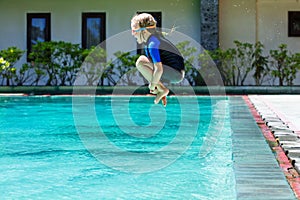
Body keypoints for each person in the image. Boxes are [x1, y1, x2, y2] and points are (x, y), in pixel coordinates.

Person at [131, 13, 185, 106]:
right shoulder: (150, 42)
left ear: (144, 31)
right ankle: (162, 90)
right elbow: (154, 69)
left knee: (141, 61)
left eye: (134, 31)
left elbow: (159, 69)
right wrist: (157, 85)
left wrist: (152, 85)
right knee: (143, 61)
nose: (133, 34)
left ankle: (162, 89)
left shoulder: (153, 43)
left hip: (176, 73)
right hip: (174, 72)